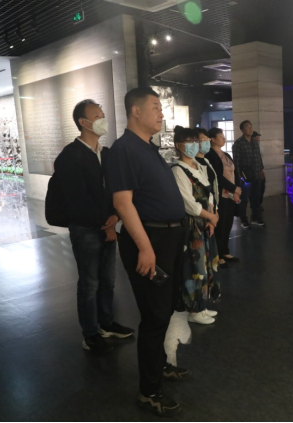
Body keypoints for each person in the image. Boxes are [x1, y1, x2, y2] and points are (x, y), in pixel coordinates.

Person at [106, 87, 187, 417]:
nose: (161, 113)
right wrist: (145, 248)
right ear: (135, 111)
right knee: (155, 315)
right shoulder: (123, 150)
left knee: (165, 310)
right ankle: (149, 391)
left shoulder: (148, 148)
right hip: (151, 241)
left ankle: (159, 366)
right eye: (155, 107)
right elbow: (122, 203)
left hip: (168, 239)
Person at [54, 99, 133, 354]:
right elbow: (77, 199)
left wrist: (115, 216)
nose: (102, 119)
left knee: (108, 280)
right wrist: (106, 224)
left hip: (107, 224)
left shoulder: (105, 153)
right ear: (83, 122)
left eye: (102, 114)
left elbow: (114, 189)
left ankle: (107, 322)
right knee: (89, 283)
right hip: (86, 228)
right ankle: (90, 333)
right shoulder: (70, 156)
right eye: (97, 116)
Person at [171, 126, 221, 326]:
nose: (193, 145)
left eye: (195, 141)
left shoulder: (198, 166)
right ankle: (193, 308)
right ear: (178, 145)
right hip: (192, 226)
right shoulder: (178, 170)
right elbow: (188, 203)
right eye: (188, 142)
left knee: (206, 265)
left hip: (205, 222)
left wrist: (211, 217)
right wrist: (211, 216)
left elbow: (209, 193)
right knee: (194, 267)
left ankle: (201, 303)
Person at [206, 127, 242, 263]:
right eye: (221, 136)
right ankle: (218, 254)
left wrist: (237, 187)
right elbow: (217, 176)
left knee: (228, 223)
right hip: (221, 194)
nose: (224, 139)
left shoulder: (226, 154)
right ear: (213, 139)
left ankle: (225, 251)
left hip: (231, 194)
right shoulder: (210, 155)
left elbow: (235, 171)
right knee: (220, 225)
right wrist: (233, 188)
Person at [233, 121, 265, 228]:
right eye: (247, 127)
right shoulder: (238, 143)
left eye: (251, 126)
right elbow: (236, 161)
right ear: (242, 130)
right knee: (244, 199)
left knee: (256, 198)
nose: (250, 129)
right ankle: (244, 220)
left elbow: (258, 157)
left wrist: (261, 169)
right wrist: (238, 175)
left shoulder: (255, 142)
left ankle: (256, 218)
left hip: (256, 174)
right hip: (245, 176)